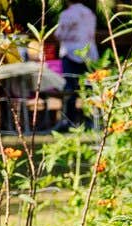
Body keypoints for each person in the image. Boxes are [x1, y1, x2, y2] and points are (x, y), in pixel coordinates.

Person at [52, 0, 98, 132]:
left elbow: (59, 34)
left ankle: (69, 121)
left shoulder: (67, 14)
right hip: (89, 54)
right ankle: (90, 120)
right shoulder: (89, 13)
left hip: (71, 53)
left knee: (70, 89)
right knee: (89, 88)